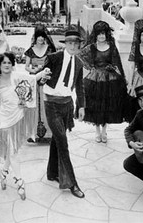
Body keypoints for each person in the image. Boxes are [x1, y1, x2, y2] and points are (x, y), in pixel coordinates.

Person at [0, 52, 50, 200]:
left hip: (19, 116)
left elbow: (33, 79)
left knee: (12, 148)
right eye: (4, 63)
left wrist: (44, 72)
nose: (7, 65)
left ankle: (3, 172)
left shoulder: (17, 76)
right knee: (13, 151)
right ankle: (19, 181)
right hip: (5, 119)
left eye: (9, 62)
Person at [40, 29, 86, 198]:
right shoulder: (54, 58)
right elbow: (40, 77)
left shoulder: (79, 63)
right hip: (51, 103)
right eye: (70, 43)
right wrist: (42, 78)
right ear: (65, 44)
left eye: (76, 43)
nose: (73, 46)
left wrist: (81, 107)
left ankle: (52, 173)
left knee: (57, 139)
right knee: (63, 143)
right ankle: (72, 183)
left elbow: (80, 87)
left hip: (67, 104)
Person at [78, 21, 130, 143]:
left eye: (103, 34)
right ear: (95, 35)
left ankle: (104, 131)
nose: (101, 36)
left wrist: (122, 77)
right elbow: (80, 56)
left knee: (107, 106)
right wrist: (90, 67)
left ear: (107, 34)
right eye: (99, 34)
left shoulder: (112, 47)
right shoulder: (91, 47)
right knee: (95, 106)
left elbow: (118, 64)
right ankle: (97, 131)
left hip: (109, 80)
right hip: (95, 79)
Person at [24, 25, 57, 142]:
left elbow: (54, 63)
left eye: (43, 38)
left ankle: (49, 133)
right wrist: (32, 71)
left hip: (47, 80)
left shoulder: (49, 49)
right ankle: (34, 133)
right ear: (35, 38)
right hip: (34, 80)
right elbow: (26, 67)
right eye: (39, 38)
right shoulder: (30, 51)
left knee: (47, 105)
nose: (41, 40)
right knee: (34, 105)